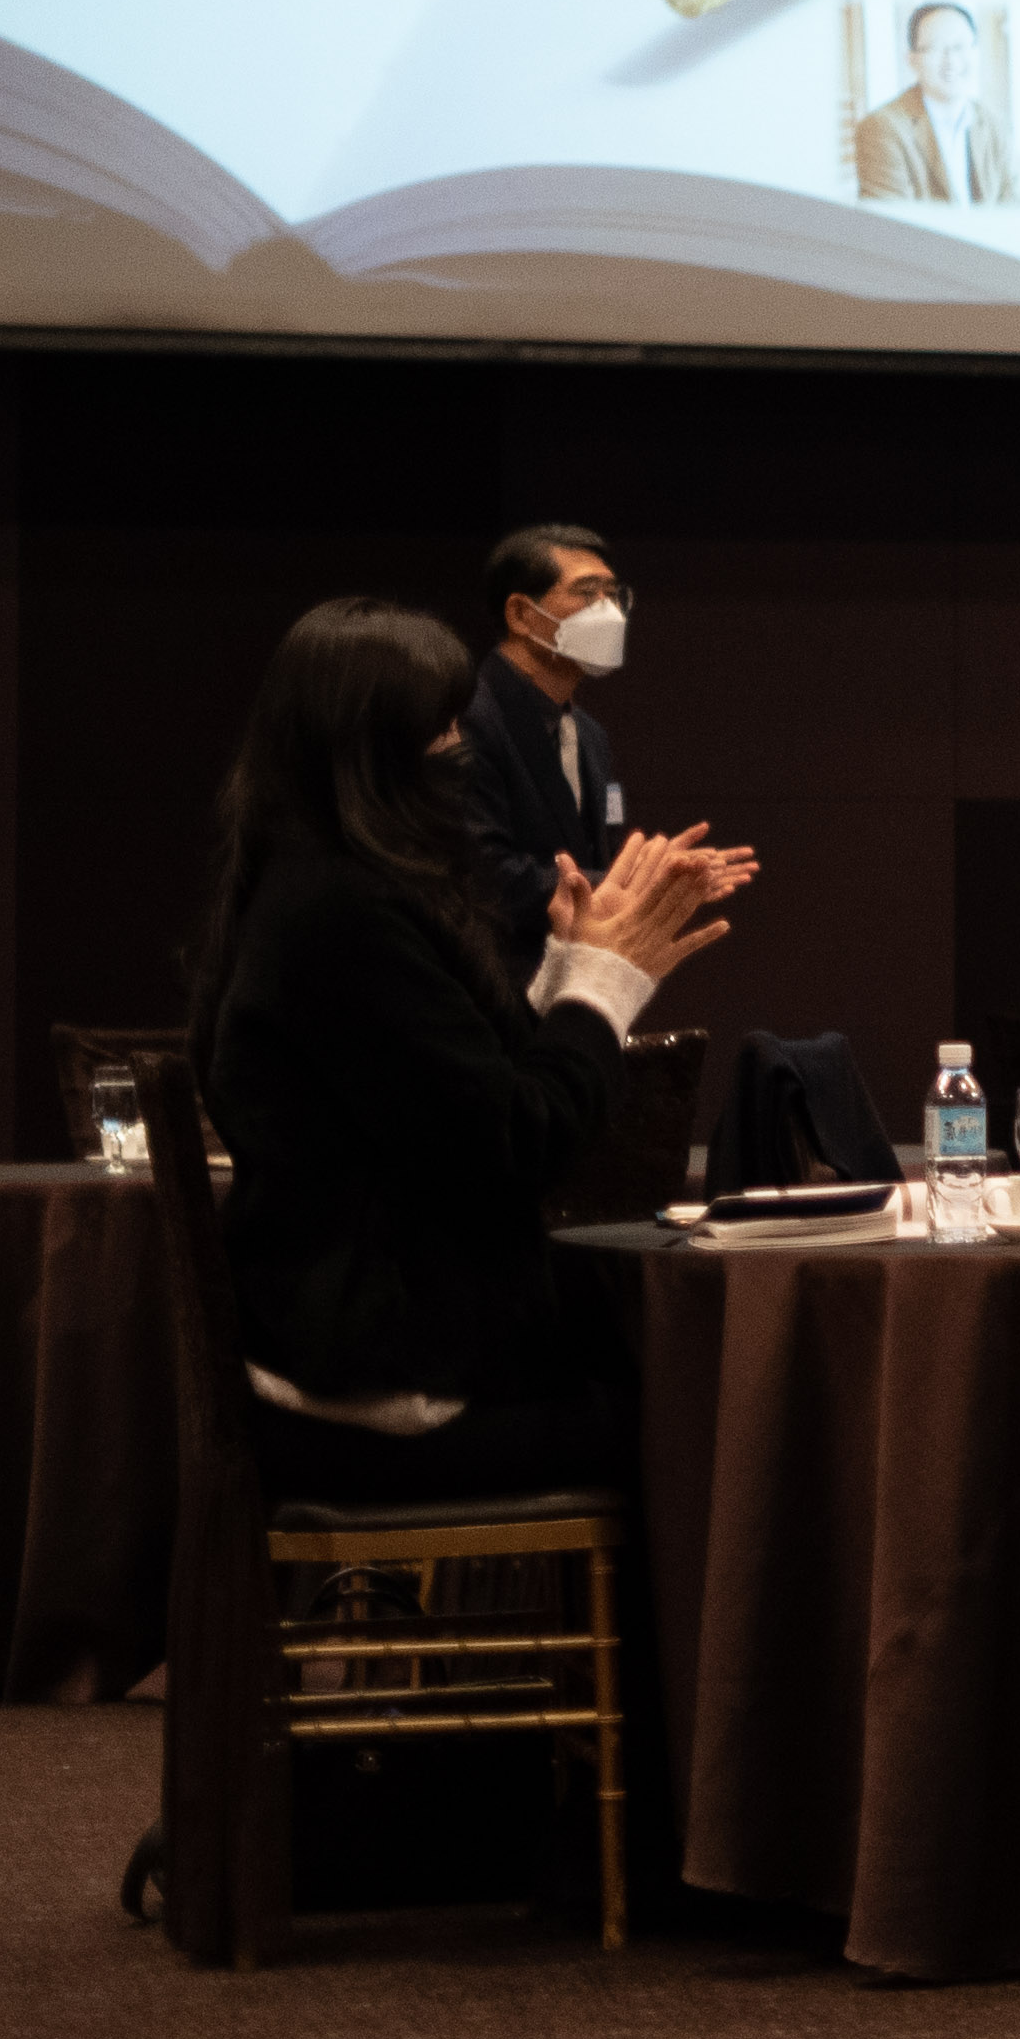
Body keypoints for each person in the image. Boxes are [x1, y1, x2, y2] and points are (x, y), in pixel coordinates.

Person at [193, 597, 753, 1507]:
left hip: (342, 1357)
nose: (462, 751)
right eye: (442, 730)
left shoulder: (302, 886)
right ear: (369, 753)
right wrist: (604, 982)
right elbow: (521, 1143)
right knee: (722, 1420)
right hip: (382, 1390)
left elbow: (455, 1097)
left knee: (657, 1375)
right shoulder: (343, 917)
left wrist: (572, 964)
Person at [451, 521, 643, 960]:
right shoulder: (468, 716)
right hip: (494, 972)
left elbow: (592, 852)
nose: (609, 611)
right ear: (521, 614)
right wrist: (619, 888)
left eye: (613, 594)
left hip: (573, 968)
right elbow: (483, 871)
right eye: (587, 592)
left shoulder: (590, 734)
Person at [854, 3, 1012, 202]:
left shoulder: (996, 125)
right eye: (936, 48)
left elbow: (1016, 205)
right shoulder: (881, 128)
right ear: (912, 60)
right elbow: (889, 218)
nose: (951, 60)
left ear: (976, 52)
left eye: (960, 47)